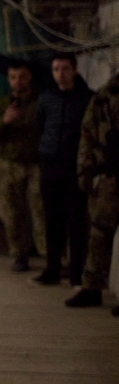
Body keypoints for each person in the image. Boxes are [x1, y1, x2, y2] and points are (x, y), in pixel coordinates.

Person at [34, 53, 94, 285]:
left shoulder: (86, 98)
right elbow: (41, 126)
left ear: (74, 70)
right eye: (56, 69)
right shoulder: (47, 98)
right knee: (52, 219)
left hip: (74, 167)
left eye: (65, 68)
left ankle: (76, 271)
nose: (60, 74)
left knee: (76, 220)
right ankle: (53, 268)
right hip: (50, 165)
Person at [0, 61, 46, 271]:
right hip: (10, 164)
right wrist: (5, 120)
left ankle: (46, 254)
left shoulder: (39, 102)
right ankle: (18, 254)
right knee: (12, 212)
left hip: (35, 163)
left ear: (29, 78)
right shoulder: (2, 104)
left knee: (40, 211)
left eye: (22, 77)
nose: (17, 82)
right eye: (13, 77)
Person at [67, 71, 119, 312]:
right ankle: (92, 287)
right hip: (108, 175)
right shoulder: (104, 97)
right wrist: (84, 171)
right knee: (99, 232)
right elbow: (87, 134)